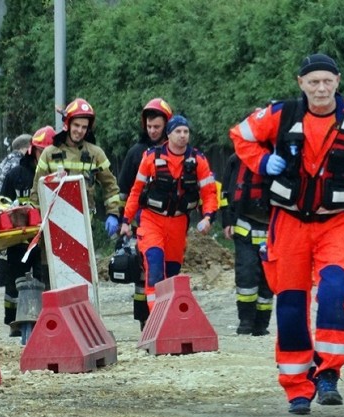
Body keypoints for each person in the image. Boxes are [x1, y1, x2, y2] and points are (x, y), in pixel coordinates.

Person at [230, 53, 344, 415]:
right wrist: (260, 161)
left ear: (338, 82)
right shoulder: (281, 115)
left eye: (327, 81)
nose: (321, 88)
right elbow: (241, 136)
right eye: (313, 81)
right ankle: (296, 388)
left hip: (333, 224)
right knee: (289, 307)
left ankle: (328, 373)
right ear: (300, 83)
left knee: (334, 291)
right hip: (287, 224)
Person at [120, 114, 219, 311]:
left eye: (186, 131)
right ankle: (157, 318)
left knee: (172, 274)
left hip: (178, 224)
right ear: (169, 134)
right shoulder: (151, 157)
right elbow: (136, 191)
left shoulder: (198, 160)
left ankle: (168, 319)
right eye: (178, 131)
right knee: (155, 268)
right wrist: (125, 220)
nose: (183, 135)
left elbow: (209, 194)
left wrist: (208, 217)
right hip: (151, 221)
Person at [117, 98, 174, 331]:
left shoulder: (177, 152)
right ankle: (146, 323)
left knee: (168, 271)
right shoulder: (136, 153)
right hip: (143, 220)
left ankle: (166, 320)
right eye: (149, 126)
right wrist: (124, 221)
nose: (152, 131)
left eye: (157, 127)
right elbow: (124, 190)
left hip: (171, 221)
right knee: (144, 274)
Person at [29, 98, 122, 238]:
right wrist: (36, 221)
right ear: (68, 123)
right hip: (53, 227)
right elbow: (37, 190)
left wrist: (113, 213)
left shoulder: (95, 154)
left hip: (83, 228)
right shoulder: (49, 153)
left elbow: (110, 185)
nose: (80, 131)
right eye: (76, 125)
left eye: (84, 127)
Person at [0, 125, 55, 337]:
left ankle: (42, 318)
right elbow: (3, 203)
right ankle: (13, 321)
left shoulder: (56, 176)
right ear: (33, 150)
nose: (45, 157)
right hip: (19, 239)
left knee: (43, 277)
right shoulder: (16, 175)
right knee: (15, 277)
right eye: (41, 151)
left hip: (45, 239)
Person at [220, 152, 273, 336]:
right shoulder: (236, 160)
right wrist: (227, 221)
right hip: (245, 227)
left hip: (273, 228)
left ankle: (261, 324)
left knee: (269, 279)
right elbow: (225, 193)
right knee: (246, 275)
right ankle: (246, 321)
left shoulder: (279, 158)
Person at [0, 134, 33, 289]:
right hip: (16, 215)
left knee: (4, 251)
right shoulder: (19, 166)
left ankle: (1, 278)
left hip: (0, 213)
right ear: (26, 147)